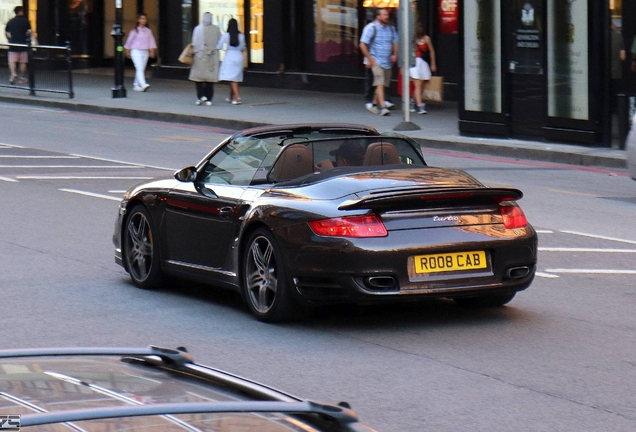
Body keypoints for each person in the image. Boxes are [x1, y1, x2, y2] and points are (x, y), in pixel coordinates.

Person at [359, 8, 398, 116]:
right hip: (376, 60)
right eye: (384, 15)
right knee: (380, 83)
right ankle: (384, 107)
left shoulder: (391, 28)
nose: (387, 17)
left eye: (387, 14)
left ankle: (374, 104)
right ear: (378, 16)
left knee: (383, 84)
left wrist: (395, 54)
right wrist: (370, 58)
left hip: (387, 61)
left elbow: (395, 42)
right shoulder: (371, 28)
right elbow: (362, 44)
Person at [189, 12, 221, 106]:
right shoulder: (216, 29)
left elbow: (194, 42)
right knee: (210, 80)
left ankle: (201, 96)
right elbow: (219, 41)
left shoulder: (198, 29)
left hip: (200, 55)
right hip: (213, 56)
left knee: (198, 78)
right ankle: (209, 99)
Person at [124, 13, 157, 92]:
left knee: (141, 69)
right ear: (138, 20)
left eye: (145, 19)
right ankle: (143, 83)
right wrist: (127, 50)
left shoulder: (148, 31)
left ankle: (136, 85)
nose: (143, 20)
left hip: (145, 51)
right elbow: (129, 41)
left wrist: (152, 50)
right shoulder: (134, 31)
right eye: (141, 19)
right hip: (136, 51)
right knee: (139, 67)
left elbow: (151, 41)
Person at [217, 18, 246, 105]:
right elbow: (243, 47)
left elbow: (219, 46)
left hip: (229, 56)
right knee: (234, 77)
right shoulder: (241, 36)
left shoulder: (226, 35)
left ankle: (238, 98)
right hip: (239, 56)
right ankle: (230, 97)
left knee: (232, 79)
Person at [409, 22, 436, 114]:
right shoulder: (411, 39)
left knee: (422, 86)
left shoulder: (426, 38)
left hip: (423, 62)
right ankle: (420, 106)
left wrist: (433, 64)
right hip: (414, 62)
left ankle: (412, 101)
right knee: (418, 85)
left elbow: (431, 51)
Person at [5, 6, 31, 85]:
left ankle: (13, 74)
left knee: (12, 61)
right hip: (23, 44)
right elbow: (29, 31)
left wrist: (9, 39)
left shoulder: (11, 21)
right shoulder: (25, 21)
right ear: (20, 12)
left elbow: (6, 32)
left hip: (13, 44)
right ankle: (22, 78)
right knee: (23, 62)